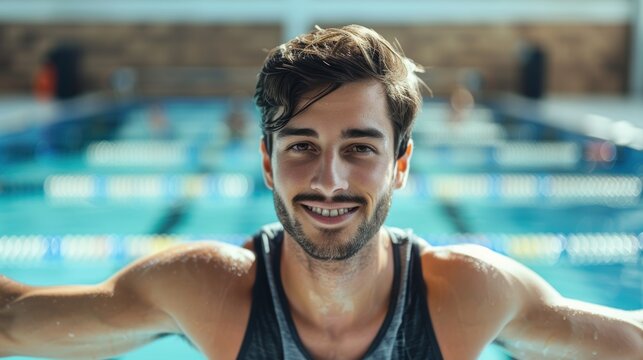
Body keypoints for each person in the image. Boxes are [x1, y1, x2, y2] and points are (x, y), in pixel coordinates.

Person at [1, 24, 641, 360]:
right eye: (301, 145)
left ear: (400, 164)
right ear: (265, 160)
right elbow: (12, 323)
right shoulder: (206, 291)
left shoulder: (467, 295)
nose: (328, 180)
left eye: (360, 148)